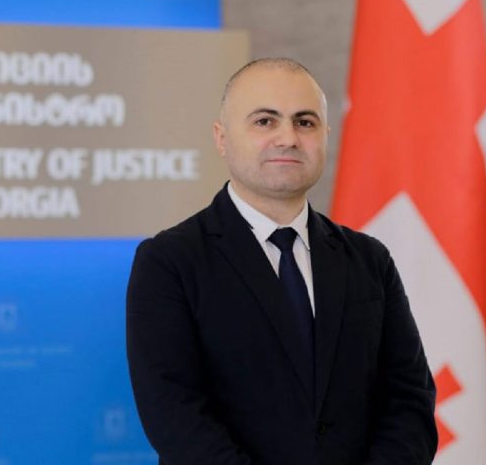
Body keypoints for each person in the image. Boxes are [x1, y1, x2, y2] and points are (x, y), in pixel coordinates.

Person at [126, 58, 437, 464]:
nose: (288, 138)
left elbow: (409, 400)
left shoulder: (369, 260)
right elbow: (174, 415)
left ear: (325, 136)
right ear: (221, 138)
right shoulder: (169, 262)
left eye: (305, 122)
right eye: (265, 121)